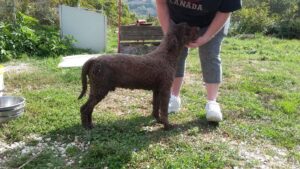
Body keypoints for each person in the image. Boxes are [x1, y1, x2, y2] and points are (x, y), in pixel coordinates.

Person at [155, 0, 242, 122]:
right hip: (177, 20)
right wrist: (169, 34)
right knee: (175, 54)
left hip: (212, 21)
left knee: (210, 55)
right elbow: (161, 3)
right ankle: (173, 98)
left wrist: (206, 37)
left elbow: (225, 10)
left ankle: (212, 103)